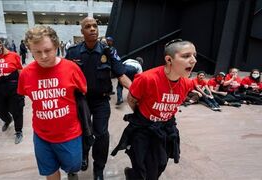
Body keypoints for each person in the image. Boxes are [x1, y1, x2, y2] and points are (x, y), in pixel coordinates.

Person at [111, 39, 197, 180]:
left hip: (165, 127)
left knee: (161, 164)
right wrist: (143, 116)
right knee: (143, 168)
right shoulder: (147, 79)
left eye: (194, 55)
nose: (193, 60)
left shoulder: (187, 83)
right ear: (169, 59)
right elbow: (132, 99)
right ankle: (133, 174)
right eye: (186, 56)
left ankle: (132, 174)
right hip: (144, 128)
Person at [65, 17, 132, 180]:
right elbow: (64, 76)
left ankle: (99, 168)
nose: (93, 29)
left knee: (101, 134)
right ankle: (83, 155)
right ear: (82, 32)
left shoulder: (108, 51)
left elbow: (121, 74)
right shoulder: (73, 52)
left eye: (95, 26)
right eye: (88, 26)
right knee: (81, 132)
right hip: (80, 100)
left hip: (101, 100)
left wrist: (137, 91)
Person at [18, 26, 87, 180]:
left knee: (74, 165)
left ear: (56, 46)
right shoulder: (26, 74)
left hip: (69, 133)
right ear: (30, 50)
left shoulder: (72, 68)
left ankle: (72, 172)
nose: (43, 56)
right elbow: (26, 95)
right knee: (49, 171)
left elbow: (83, 91)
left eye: (47, 50)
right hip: (42, 134)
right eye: (37, 52)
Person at [0, 36, 24, 144]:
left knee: (17, 110)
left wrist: (23, 86)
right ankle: (7, 120)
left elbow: (20, 71)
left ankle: (18, 131)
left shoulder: (13, 56)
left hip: (13, 87)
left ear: (1, 45)